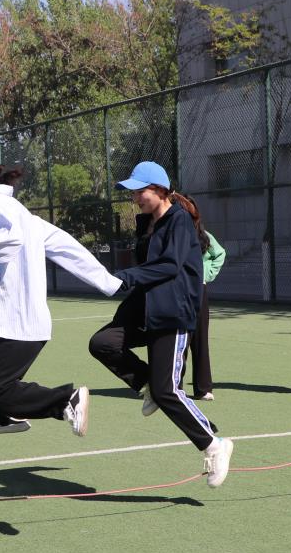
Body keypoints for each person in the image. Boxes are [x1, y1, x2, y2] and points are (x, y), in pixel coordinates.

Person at [0, 145, 121, 436]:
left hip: (16, 322)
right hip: (5, 319)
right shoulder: (4, 207)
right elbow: (60, 242)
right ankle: (2, 417)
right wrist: (108, 282)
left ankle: (65, 401)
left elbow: (11, 243)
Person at [87, 161, 232, 488]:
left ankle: (214, 444)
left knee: (168, 392)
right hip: (145, 307)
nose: (135, 197)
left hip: (172, 312)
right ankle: (147, 383)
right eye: (133, 192)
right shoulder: (148, 223)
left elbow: (168, 266)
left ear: (160, 190)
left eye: (140, 191)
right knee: (102, 343)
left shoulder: (179, 220)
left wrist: (123, 278)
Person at [189, 225, 226, 401]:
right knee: (177, 340)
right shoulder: (169, 232)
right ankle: (173, 387)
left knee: (200, 339)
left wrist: (207, 274)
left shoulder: (203, 235)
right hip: (175, 289)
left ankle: (203, 389)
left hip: (198, 289)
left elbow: (220, 253)